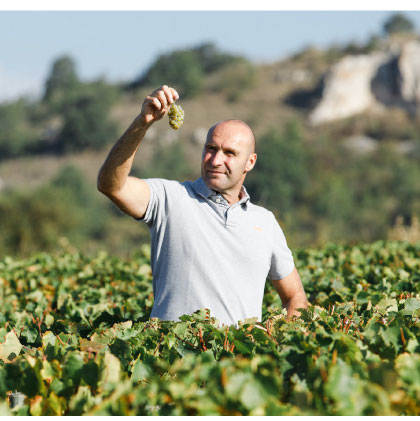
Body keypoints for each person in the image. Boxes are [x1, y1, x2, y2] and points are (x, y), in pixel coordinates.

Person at [97, 85, 309, 326]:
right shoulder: (171, 198)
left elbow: (295, 296)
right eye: (211, 149)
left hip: (239, 360)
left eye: (229, 153)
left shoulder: (264, 222)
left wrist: (280, 342)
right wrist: (142, 123)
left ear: (250, 162)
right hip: (172, 359)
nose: (216, 160)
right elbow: (111, 185)